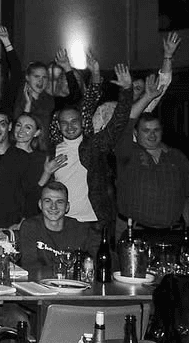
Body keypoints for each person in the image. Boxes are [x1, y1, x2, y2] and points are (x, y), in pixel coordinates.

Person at [52, 64, 134, 226]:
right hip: (61, 222)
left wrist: (126, 90)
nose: (70, 126)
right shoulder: (51, 150)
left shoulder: (95, 145)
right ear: (59, 126)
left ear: (83, 123)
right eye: (64, 123)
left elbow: (117, 123)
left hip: (94, 222)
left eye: (74, 121)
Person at [116, 109, 189, 235]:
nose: (152, 135)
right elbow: (126, 123)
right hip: (133, 231)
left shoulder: (177, 156)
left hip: (173, 232)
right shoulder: (127, 154)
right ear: (135, 133)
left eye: (156, 130)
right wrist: (147, 99)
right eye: (146, 130)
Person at [18, 181, 100, 279]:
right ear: (40, 204)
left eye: (59, 202)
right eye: (48, 201)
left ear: (67, 207)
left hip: (72, 285)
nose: (53, 207)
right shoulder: (30, 227)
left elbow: (105, 258)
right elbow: (30, 267)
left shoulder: (80, 229)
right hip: (40, 285)